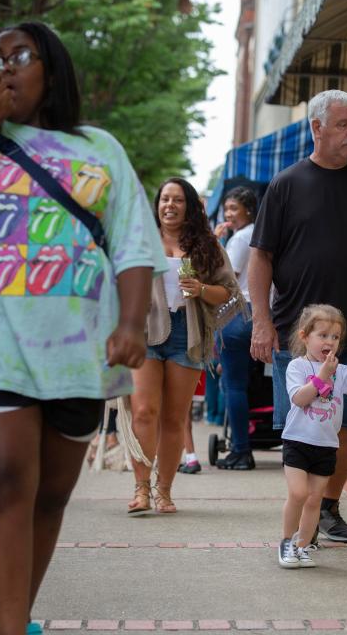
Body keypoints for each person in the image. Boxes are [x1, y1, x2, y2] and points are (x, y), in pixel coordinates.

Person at [0, 21, 165, 634]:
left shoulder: (100, 148)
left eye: (20, 55)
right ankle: (9, 629)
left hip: (79, 358)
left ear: (52, 71)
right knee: (6, 483)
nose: (3, 66)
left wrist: (131, 322)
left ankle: (18, 618)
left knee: (48, 499)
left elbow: (133, 245)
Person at [250, 90, 347, 543]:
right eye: (344, 124)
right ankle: (304, 509)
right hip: (299, 334)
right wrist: (260, 320)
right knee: (302, 422)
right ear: (316, 127)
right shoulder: (286, 185)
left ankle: (328, 507)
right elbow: (261, 258)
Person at [129, 177, 243, 512]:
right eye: (165, 199)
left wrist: (201, 289)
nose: (170, 206)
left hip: (186, 332)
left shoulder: (205, 244)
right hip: (145, 329)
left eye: (178, 200)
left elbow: (229, 291)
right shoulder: (140, 240)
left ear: (189, 206)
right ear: (157, 204)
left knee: (174, 417)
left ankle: (164, 490)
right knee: (144, 411)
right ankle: (141, 489)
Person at [278, 305, 347, 568]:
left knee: (315, 498)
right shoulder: (297, 366)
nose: (330, 342)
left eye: (335, 337)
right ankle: (286, 542)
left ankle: (303, 546)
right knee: (298, 493)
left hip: (326, 445)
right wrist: (322, 376)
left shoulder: (344, 371)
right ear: (305, 337)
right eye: (323, 335)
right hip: (297, 441)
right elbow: (298, 398)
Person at [216, 186, 259, 469]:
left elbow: (225, 279)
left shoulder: (239, 239)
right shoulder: (258, 234)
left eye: (235, 209)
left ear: (248, 211)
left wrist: (214, 242)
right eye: (227, 209)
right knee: (246, 384)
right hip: (258, 313)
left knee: (233, 385)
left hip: (238, 313)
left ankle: (241, 450)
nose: (229, 214)